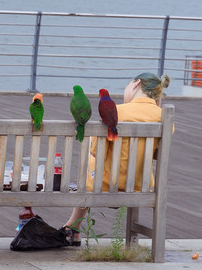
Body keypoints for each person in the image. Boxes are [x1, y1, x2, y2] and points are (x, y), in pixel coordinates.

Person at [61, 73, 173, 244]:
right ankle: (72, 227)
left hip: (105, 183)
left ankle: (72, 227)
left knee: (91, 162)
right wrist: (157, 105)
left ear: (136, 84)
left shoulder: (116, 112)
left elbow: (95, 151)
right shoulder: (164, 118)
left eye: (127, 85)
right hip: (139, 184)